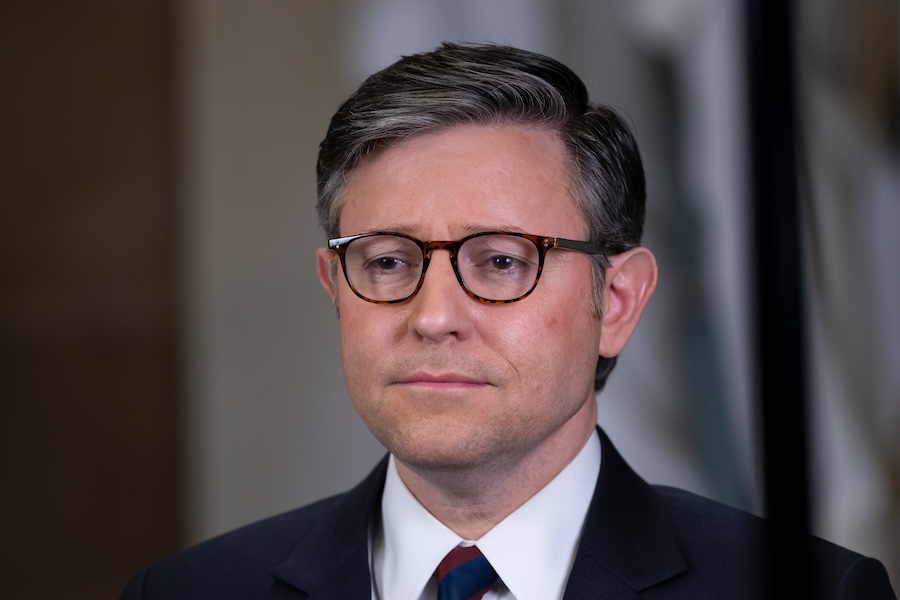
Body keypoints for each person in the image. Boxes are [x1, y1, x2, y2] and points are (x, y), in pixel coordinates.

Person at [119, 42, 896, 599]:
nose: (434, 317)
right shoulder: (186, 593)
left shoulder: (809, 590)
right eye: (387, 262)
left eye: (499, 261)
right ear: (335, 287)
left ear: (616, 302)